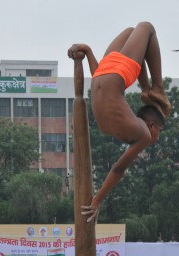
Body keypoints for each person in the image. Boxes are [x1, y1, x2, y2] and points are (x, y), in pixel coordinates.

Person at [68, 21, 171, 223]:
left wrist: (89, 52)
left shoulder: (133, 125)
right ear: (152, 125)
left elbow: (117, 168)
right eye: (159, 132)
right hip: (101, 77)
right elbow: (118, 168)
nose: (155, 138)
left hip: (106, 73)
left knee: (140, 30)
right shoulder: (142, 134)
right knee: (142, 30)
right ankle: (154, 88)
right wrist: (96, 201)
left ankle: (151, 88)